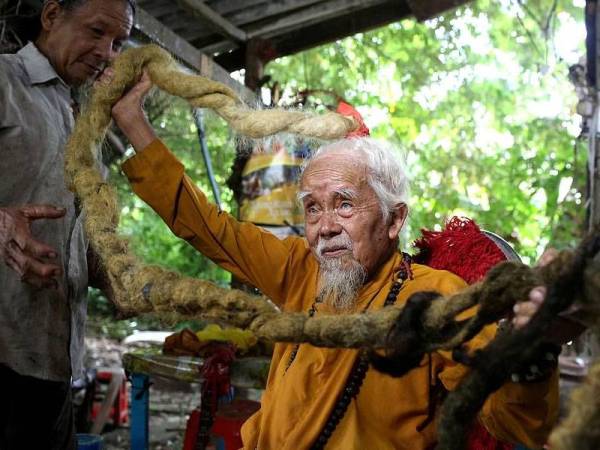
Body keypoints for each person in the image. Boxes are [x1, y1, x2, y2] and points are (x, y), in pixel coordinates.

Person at [109, 73, 559, 449]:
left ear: (393, 219)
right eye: (312, 208)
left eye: (344, 205)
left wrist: (531, 354)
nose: (324, 227)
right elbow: (209, 228)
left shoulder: (435, 297)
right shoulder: (300, 269)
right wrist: (132, 122)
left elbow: (510, 418)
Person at [0, 1, 134, 448]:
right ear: (52, 15)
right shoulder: (3, 80)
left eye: (117, 42)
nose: (107, 52)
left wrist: (111, 276)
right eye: (96, 31)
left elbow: (76, 224)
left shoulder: (79, 115)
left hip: (54, 358)